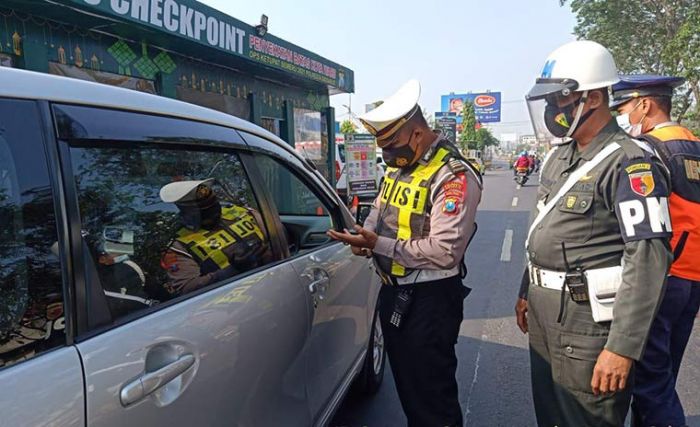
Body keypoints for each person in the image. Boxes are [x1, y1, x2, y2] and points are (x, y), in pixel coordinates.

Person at [515, 40, 673, 426]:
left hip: (588, 324)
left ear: (593, 98)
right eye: (548, 103)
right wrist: (525, 291)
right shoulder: (560, 157)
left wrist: (622, 348)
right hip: (543, 312)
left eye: (559, 102)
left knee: (586, 417)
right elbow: (545, 232)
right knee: (551, 414)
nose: (552, 112)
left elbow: (648, 259)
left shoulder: (629, 163)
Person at [327, 79, 482, 427]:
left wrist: (377, 244)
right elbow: (379, 212)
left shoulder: (452, 174)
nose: (388, 155)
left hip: (429, 298)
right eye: (383, 148)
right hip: (395, 291)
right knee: (412, 392)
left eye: (393, 144)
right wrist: (362, 238)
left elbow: (445, 252)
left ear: (416, 133)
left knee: (432, 400)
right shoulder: (400, 169)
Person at [612, 74, 700, 427]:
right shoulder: (693, 144)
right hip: (692, 276)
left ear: (644, 104)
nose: (621, 115)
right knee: (664, 375)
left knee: (651, 386)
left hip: (662, 277)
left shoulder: (647, 150)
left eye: (623, 107)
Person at [159, 179, 270, 296]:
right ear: (187, 213)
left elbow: (280, 238)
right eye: (204, 212)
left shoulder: (243, 213)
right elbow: (187, 289)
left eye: (214, 206)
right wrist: (233, 270)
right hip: (232, 299)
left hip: (274, 279)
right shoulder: (179, 245)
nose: (214, 213)